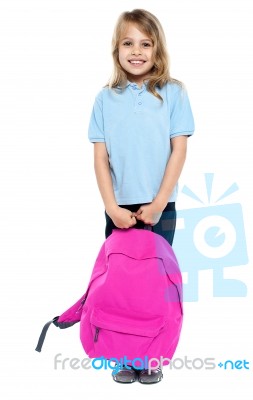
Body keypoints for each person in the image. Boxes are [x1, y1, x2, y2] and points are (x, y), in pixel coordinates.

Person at [88, 9, 195, 384]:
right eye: (128, 43)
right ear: (116, 49)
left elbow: (178, 150)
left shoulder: (174, 93)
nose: (137, 51)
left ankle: (150, 356)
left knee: (152, 287)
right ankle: (121, 352)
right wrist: (111, 206)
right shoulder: (105, 99)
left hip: (160, 206)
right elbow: (100, 158)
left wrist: (160, 201)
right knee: (120, 285)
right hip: (119, 209)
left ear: (157, 49)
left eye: (145, 43)